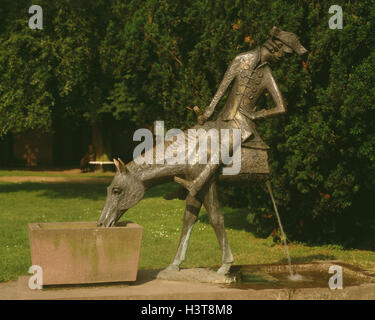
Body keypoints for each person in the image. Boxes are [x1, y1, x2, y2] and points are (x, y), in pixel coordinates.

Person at [174, 26, 308, 197]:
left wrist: (258, 114)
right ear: (276, 46)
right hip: (223, 117)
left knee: (227, 144)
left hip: (243, 125)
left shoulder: (267, 74)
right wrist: (208, 111)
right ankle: (179, 182)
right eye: (286, 54)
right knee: (195, 137)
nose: (285, 59)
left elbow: (281, 107)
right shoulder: (241, 59)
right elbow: (223, 87)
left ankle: (196, 183)